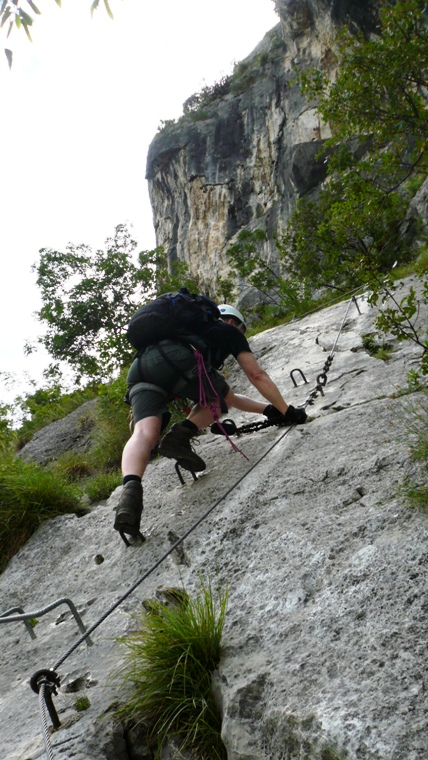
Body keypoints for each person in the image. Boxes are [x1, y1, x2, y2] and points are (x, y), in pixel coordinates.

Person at [114, 303, 307, 542]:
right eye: (241, 330)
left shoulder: (182, 331)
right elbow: (256, 376)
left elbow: (231, 400)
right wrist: (287, 410)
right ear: (232, 322)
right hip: (174, 358)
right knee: (220, 396)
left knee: (143, 433)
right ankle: (181, 436)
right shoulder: (226, 330)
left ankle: (130, 495)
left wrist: (269, 410)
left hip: (140, 367)